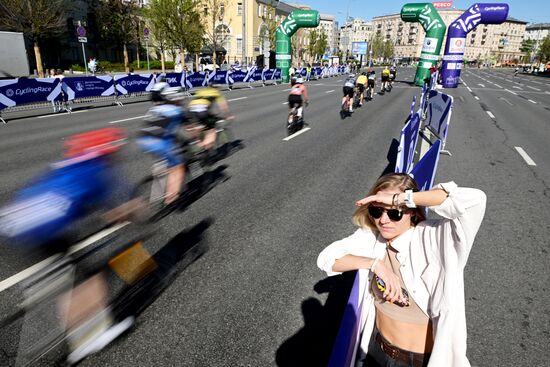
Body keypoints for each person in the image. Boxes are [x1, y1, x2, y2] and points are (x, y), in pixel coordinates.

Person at [0, 127, 143, 365]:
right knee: (89, 278)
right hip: (44, 232)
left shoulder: (66, 166)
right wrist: (138, 217)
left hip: (12, 225)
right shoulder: (98, 171)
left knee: (66, 276)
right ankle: (92, 336)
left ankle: (75, 327)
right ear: (105, 153)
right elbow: (120, 210)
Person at [317, 173, 486, 367]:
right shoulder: (372, 238)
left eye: (395, 212)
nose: (384, 220)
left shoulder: (435, 238)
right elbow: (326, 258)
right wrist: (375, 264)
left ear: (412, 211)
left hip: (416, 361)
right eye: (377, 211)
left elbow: (475, 201)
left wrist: (402, 198)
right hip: (374, 350)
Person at [140, 82, 188, 204]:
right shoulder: (177, 110)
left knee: (160, 162)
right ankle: (171, 197)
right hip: (162, 142)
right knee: (178, 166)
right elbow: (187, 126)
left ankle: (158, 184)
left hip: (144, 138)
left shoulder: (154, 108)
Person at [187, 84, 234, 155]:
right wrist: (228, 115)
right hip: (202, 111)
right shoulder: (216, 93)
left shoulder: (201, 91)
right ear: (217, 88)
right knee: (212, 130)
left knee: (200, 126)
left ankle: (197, 143)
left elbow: (201, 102)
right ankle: (203, 145)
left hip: (191, 110)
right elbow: (223, 107)